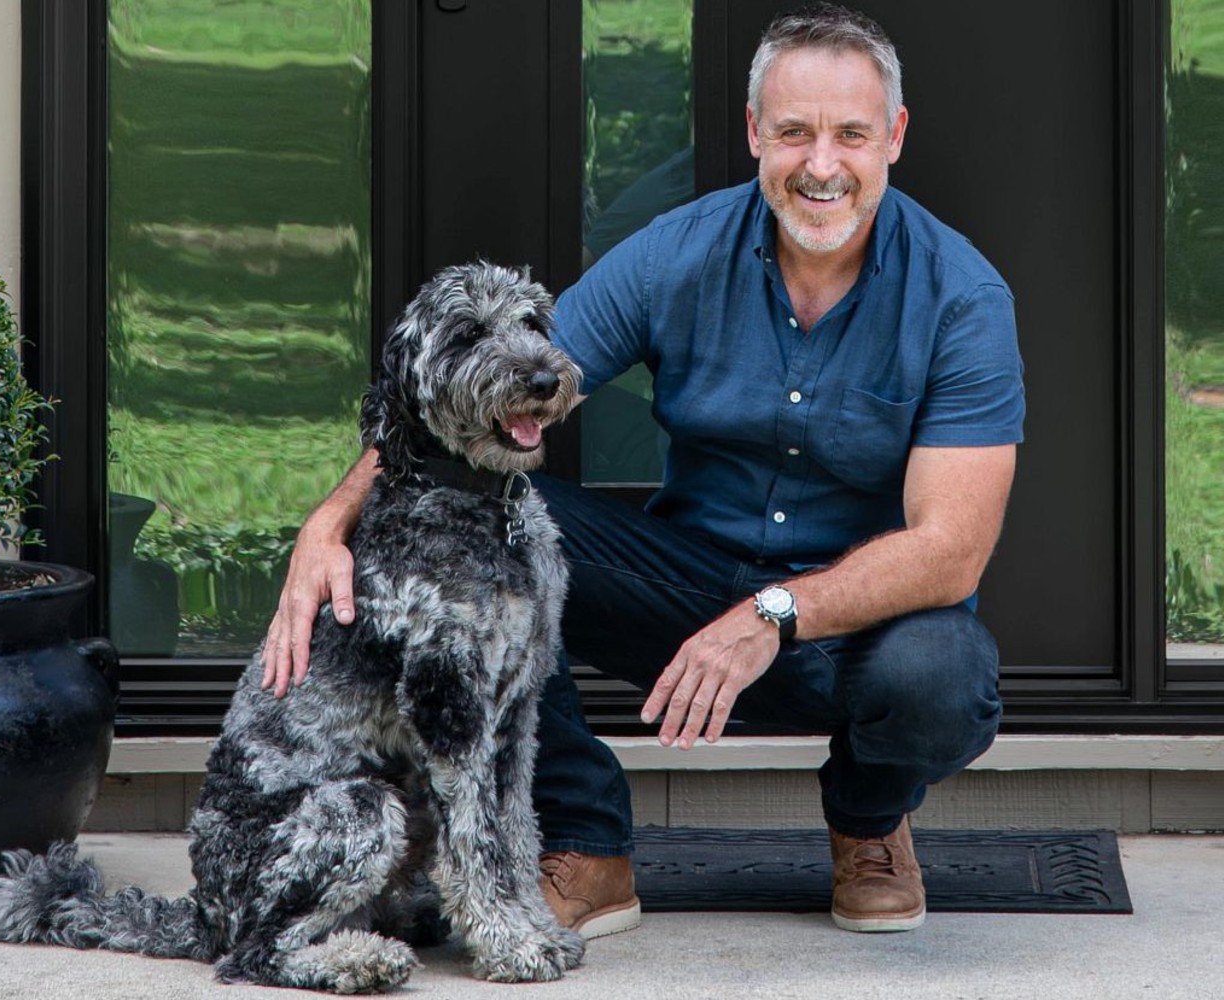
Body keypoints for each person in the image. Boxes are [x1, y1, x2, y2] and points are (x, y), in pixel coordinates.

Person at [262, 3, 1023, 940]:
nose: (821, 165)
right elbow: (491, 392)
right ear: (754, 134)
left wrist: (771, 616)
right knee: (485, 522)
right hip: (682, 596)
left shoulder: (962, 296)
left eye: (850, 135)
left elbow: (950, 552)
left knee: (944, 673)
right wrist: (332, 518)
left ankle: (868, 824)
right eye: (793, 132)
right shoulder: (679, 252)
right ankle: (587, 839)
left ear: (894, 138)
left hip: (852, 630)